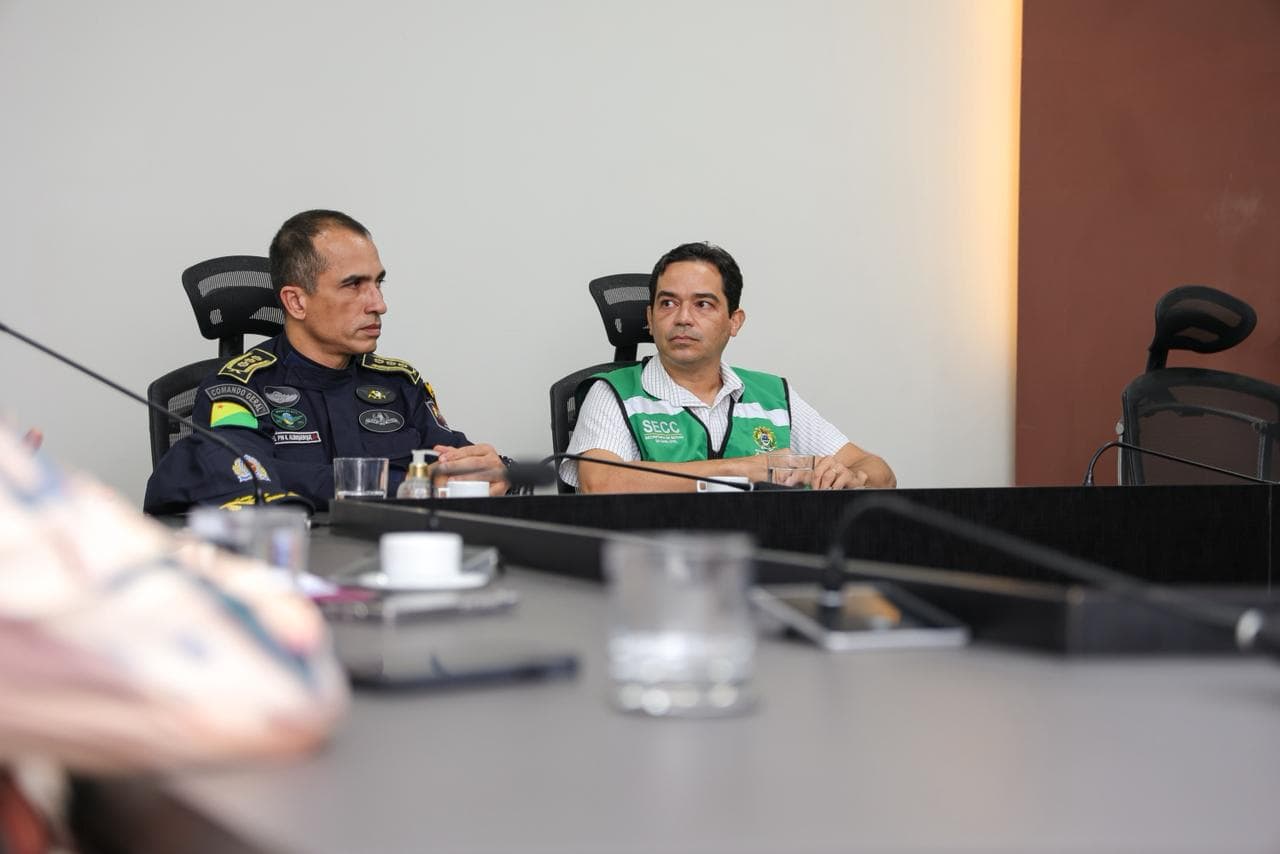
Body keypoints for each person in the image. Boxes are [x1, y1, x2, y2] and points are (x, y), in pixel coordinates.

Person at [145, 210, 507, 513]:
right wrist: (405, 485)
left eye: (378, 283)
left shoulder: (399, 384)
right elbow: (249, 475)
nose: (379, 304)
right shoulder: (236, 389)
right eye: (353, 285)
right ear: (296, 302)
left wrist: (495, 472)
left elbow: (455, 461)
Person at [561, 242, 895, 493]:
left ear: (734, 321)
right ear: (650, 317)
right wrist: (746, 470)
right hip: (659, 559)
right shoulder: (613, 393)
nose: (683, 318)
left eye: (703, 304)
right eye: (668, 303)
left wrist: (853, 477)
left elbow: (880, 472)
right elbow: (601, 483)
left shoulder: (773, 397)